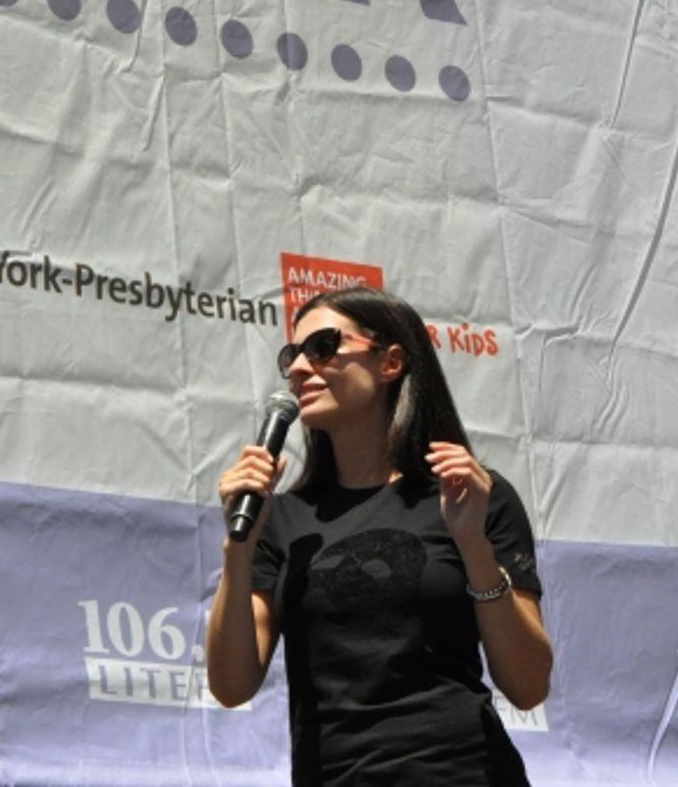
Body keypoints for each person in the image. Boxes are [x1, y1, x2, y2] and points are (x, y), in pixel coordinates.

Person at [206, 286, 551, 786]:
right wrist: (239, 548)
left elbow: (528, 685)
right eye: (292, 355)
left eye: (322, 346)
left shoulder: (472, 496)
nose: (300, 367)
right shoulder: (279, 520)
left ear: (391, 362)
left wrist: (473, 543)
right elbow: (232, 685)